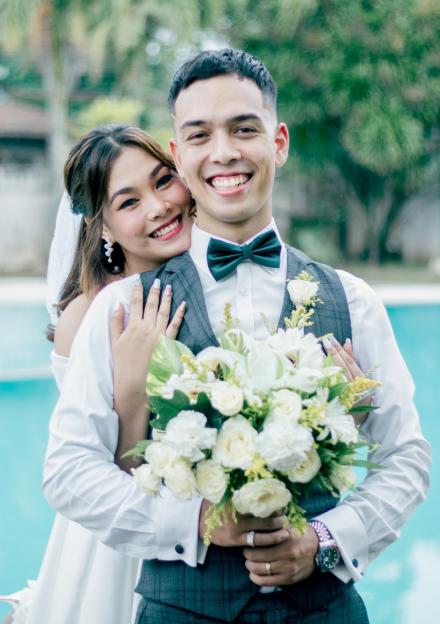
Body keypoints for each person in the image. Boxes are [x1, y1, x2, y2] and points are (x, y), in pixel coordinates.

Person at [42, 49, 431, 624]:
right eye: (200, 135)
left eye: (243, 129)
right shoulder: (123, 310)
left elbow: (407, 458)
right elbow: (69, 470)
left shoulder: (353, 300)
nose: (223, 152)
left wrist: (324, 539)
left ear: (278, 142)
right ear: (180, 154)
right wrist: (195, 521)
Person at [0, 124, 193, 624]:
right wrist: (132, 395)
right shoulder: (91, 315)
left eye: (164, 180)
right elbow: (93, 468)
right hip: (123, 534)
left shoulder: (208, 277)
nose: (158, 207)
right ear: (103, 226)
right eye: (129, 203)